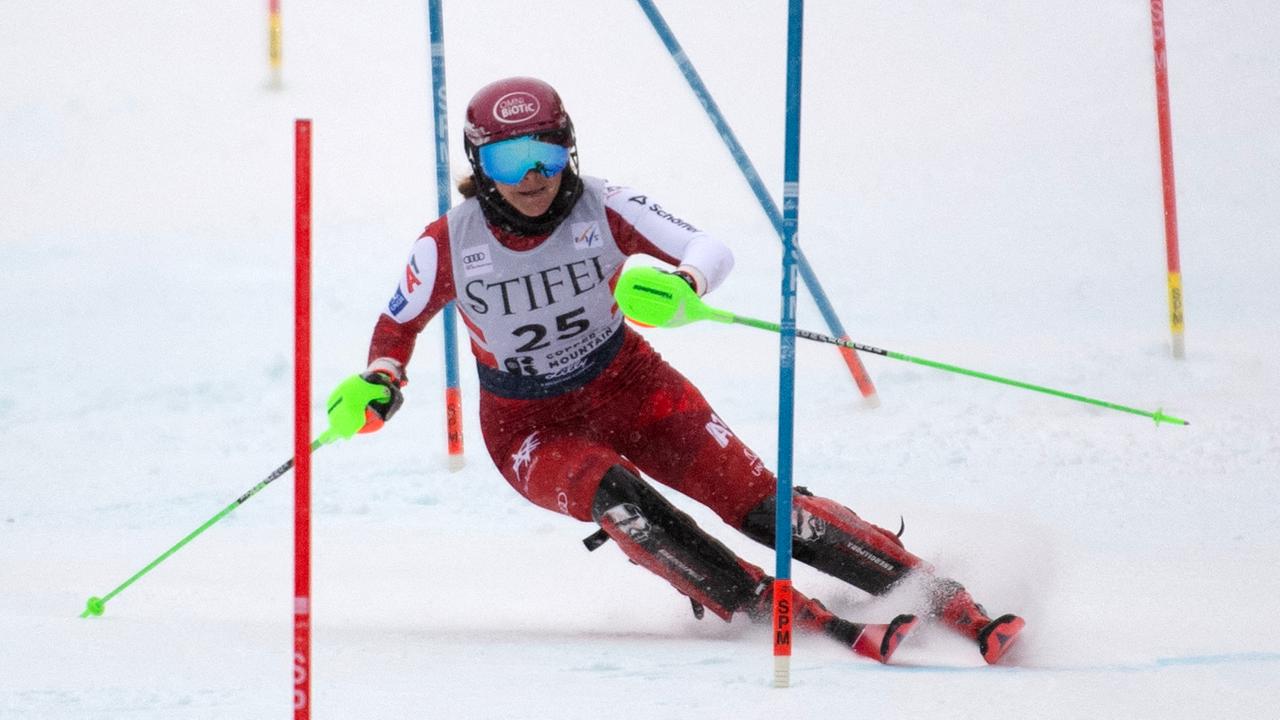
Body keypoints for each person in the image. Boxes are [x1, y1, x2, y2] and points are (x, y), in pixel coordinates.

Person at [326, 76, 1024, 664]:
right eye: (510, 162)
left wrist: (685, 284)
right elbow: (398, 324)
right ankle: (769, 604)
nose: (533, 176)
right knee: (617, 495)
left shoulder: (603, 204)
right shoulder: (449, 242)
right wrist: (382, 380)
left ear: (569, 147)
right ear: (481, 167)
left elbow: (709, 247)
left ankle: (940, 595)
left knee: (757, 502)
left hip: (631, 384)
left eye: (546, 153)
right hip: (529, 426)